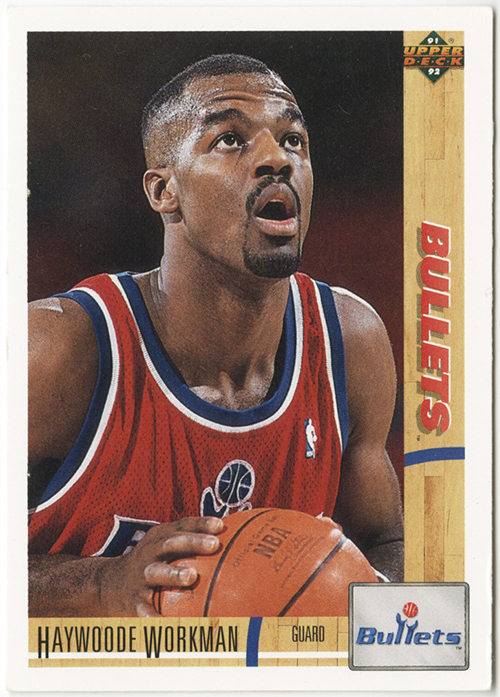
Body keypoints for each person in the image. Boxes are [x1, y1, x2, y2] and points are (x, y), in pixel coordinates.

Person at [28, 54, 403, 617]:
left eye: (294, 140)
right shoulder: (56, 348)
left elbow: (386, 542)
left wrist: (366, 613)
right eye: (230, 139)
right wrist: (103, 584)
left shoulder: (350, 341)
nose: (278, 158)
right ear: (164, 190)